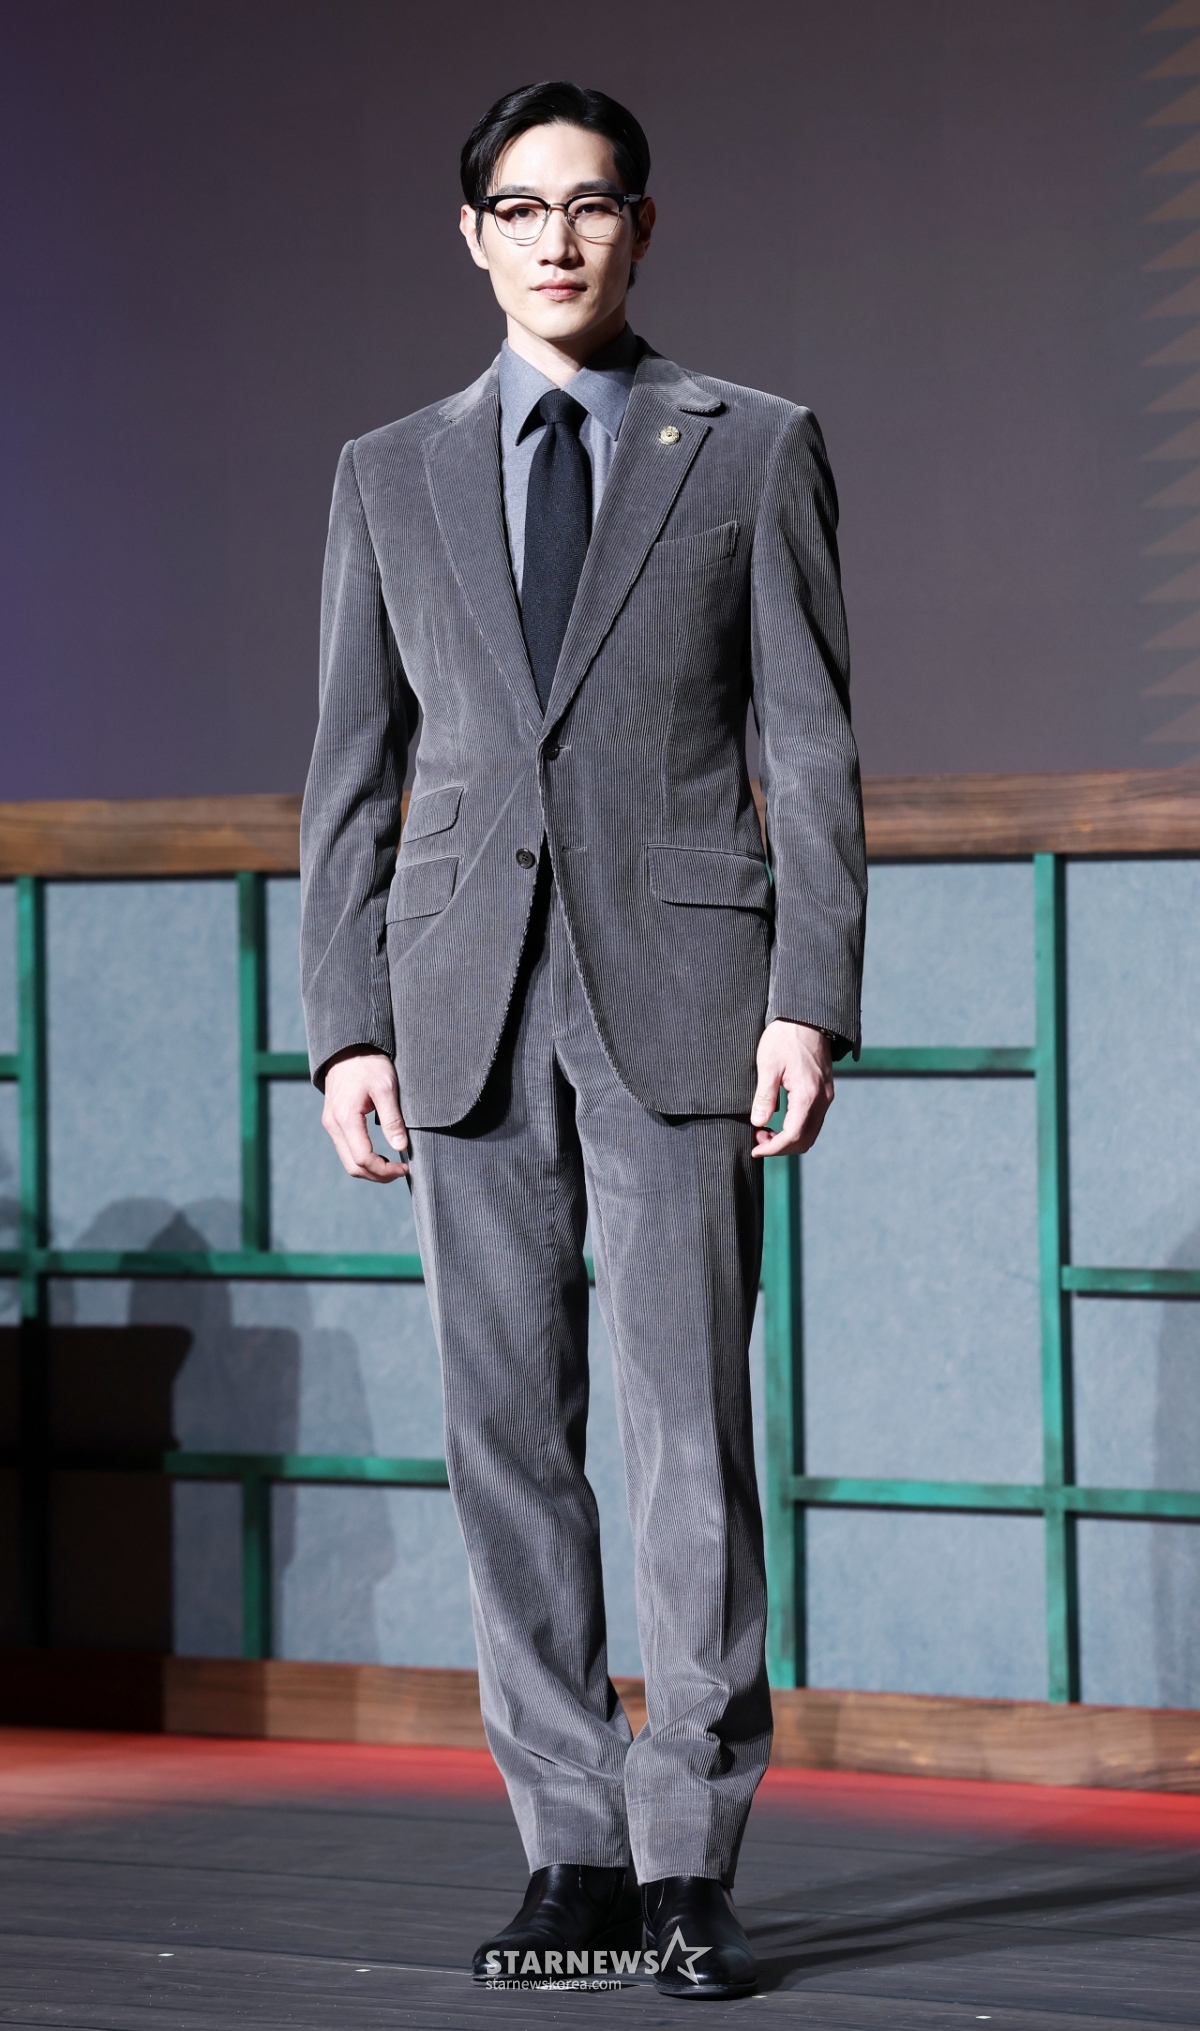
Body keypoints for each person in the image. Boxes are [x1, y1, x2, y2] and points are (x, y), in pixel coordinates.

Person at [300, 79, 866, 2001]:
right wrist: (345, 1026)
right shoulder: (388, 472)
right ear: (472, 234)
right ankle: (572, 1849)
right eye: (523, 207)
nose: (558, 237)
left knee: (686, 1432)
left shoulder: (754, 444)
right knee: (505, 1444)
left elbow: (811, 744)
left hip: (683, 995)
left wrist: (809, 995)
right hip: (458, 999)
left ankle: (688, 1852)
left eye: (593, 202)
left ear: (642, 225)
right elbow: (352, 773)